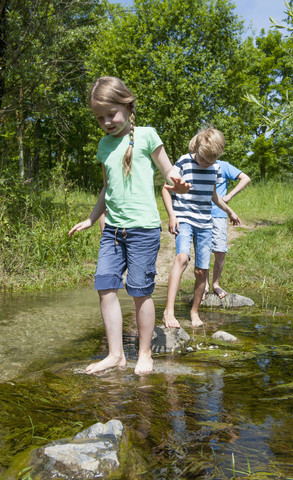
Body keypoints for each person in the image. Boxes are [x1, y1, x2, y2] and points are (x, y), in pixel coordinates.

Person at [68, 76, 191, 375]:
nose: (107, 122)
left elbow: (168, 169)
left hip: (143, 230)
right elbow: (106, 188)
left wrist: (178, 182)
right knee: (105, 287)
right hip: (112, 229)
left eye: (111, 114)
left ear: (127, 105)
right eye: (100, 118)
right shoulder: (104, 145)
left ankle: (145, 354)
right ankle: (116, 355)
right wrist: (92, 218)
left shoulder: (147, 135)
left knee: (139, 291)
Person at [162, 127, 241, 329]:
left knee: (201, 271)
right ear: (196, 147)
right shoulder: (184, 161)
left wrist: (229, 211)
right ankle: (168, 311)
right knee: (182, 258)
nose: (206, 164)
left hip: (205, 223)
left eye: (211, 161)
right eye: (204, 159)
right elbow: (165, 188)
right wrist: (172, 215)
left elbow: (213, 195)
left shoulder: (216, 168)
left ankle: (194, 312)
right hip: (184, 218)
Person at [202, 159, 251, 300]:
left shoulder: (223, 165)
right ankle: (204, 285)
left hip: (218, 214)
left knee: (220, 250)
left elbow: (245, 178)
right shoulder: (198, 162)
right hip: (200, 214)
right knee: (203, 251)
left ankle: (215, 284)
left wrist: (229, 196)